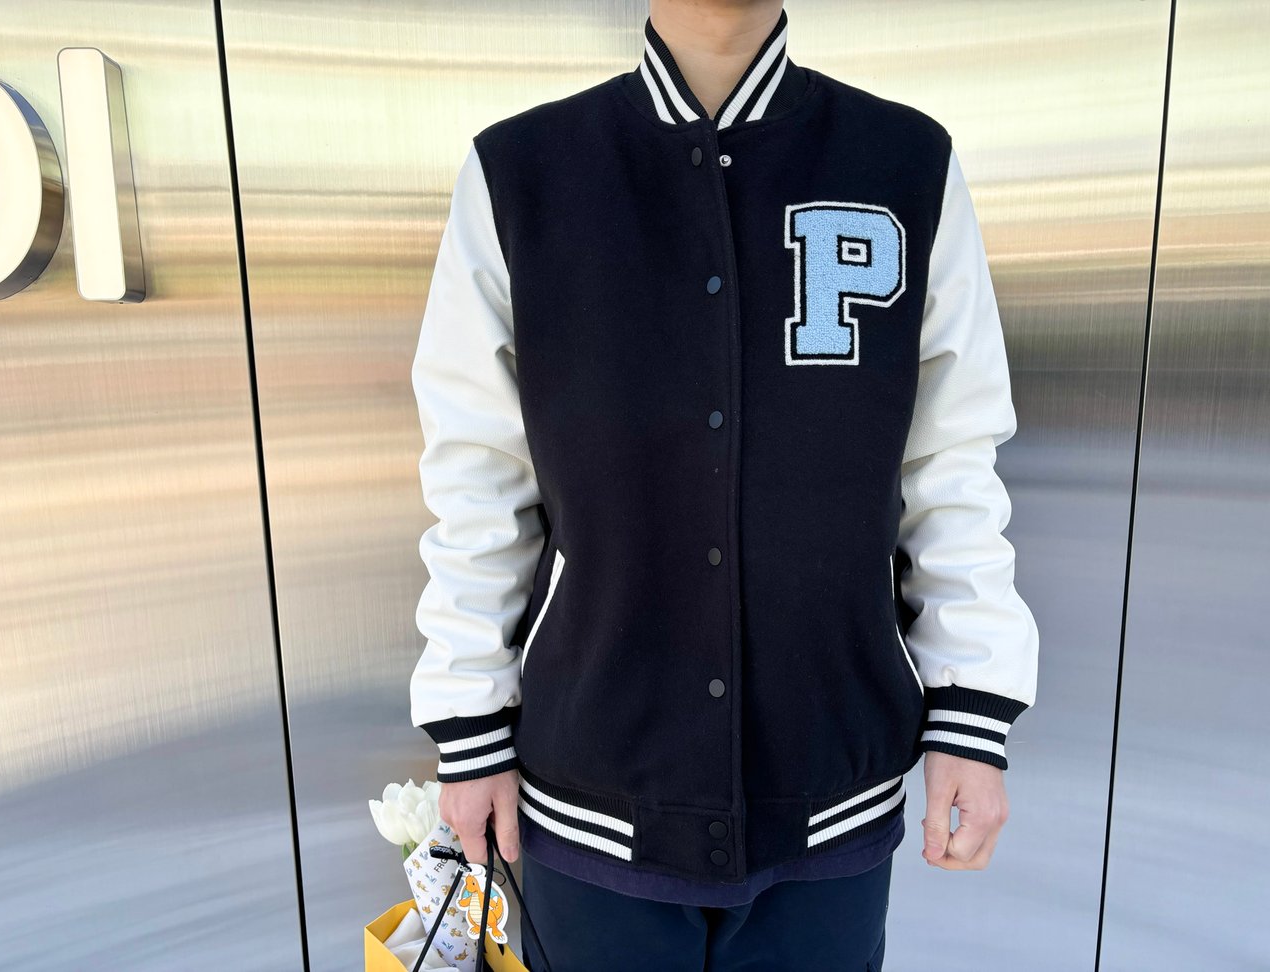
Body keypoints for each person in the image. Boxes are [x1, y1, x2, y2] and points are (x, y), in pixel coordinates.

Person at [407, 1, 1040, 968]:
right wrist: (469, 728)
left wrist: (971, 711)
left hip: (830, 788)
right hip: (591, 794)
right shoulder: (522, 170)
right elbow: (478, 476)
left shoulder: (905, 162)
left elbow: (950, 460)